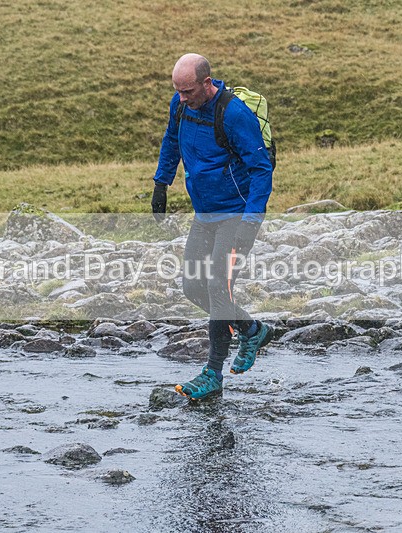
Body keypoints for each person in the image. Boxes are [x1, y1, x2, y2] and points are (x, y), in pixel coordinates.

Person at [151, 53, 274, 401]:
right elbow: (171, 141)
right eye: (177, 91)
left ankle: (212, 374)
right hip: (204, 216)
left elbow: (261, 169)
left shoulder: (233, 114)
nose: (182, 98)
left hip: (235, 216)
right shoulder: (181, 105)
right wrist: (161, 183)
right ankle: (252, 329)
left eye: (188, 91)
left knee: (219, 286)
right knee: (192, 286)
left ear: (207, 83)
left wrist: (250, 223)